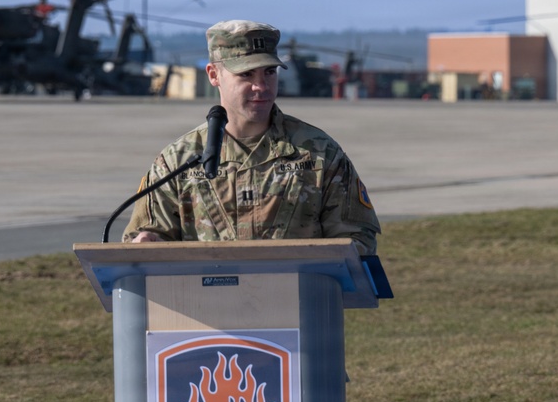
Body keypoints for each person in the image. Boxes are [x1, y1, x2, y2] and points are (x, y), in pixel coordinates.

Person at [122, 19, 380, 255]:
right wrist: (147, 241)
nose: (262, 86)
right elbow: (148, 238)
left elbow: (357, 238)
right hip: (205, 303)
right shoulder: (179, 160)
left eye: (269, 72)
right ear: (214, 75)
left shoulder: (317, 152)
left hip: (296, 301)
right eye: (246, 74)